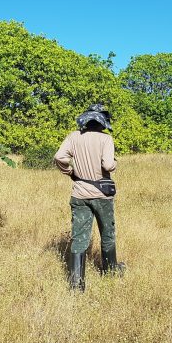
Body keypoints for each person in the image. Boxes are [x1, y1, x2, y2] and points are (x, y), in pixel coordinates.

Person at [53, 104, 124, 291]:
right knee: (107, 233)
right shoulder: (106, 139)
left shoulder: (74, 136)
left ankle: (76, 284)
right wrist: (115, 163)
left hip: (79, 193)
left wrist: (69, 171)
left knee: (79, 237)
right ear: (102, 121)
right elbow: (108, 165)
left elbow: (59, 156)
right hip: (102, 196)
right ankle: (110, 271)